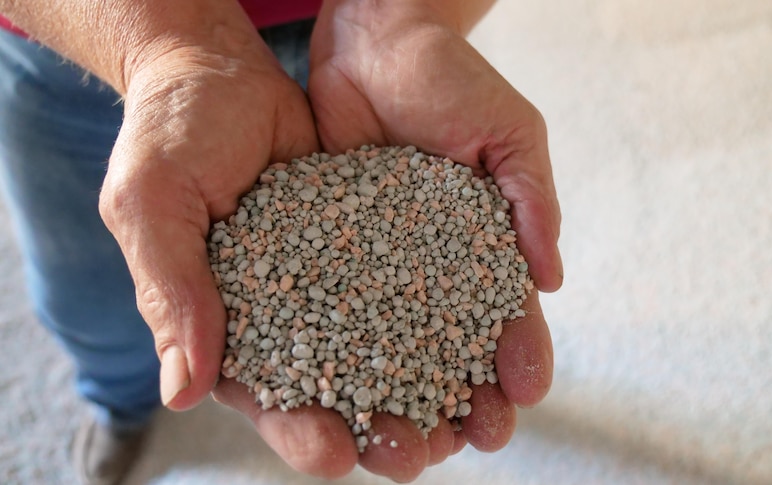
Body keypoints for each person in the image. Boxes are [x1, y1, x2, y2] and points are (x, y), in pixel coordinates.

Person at [0, 0, 563, 483]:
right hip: (81, 32)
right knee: (88, 298)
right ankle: (118, 401)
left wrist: (404, 15)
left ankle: (119, 398)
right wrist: (161, 44)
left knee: (175, 303)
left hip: (360, 33)